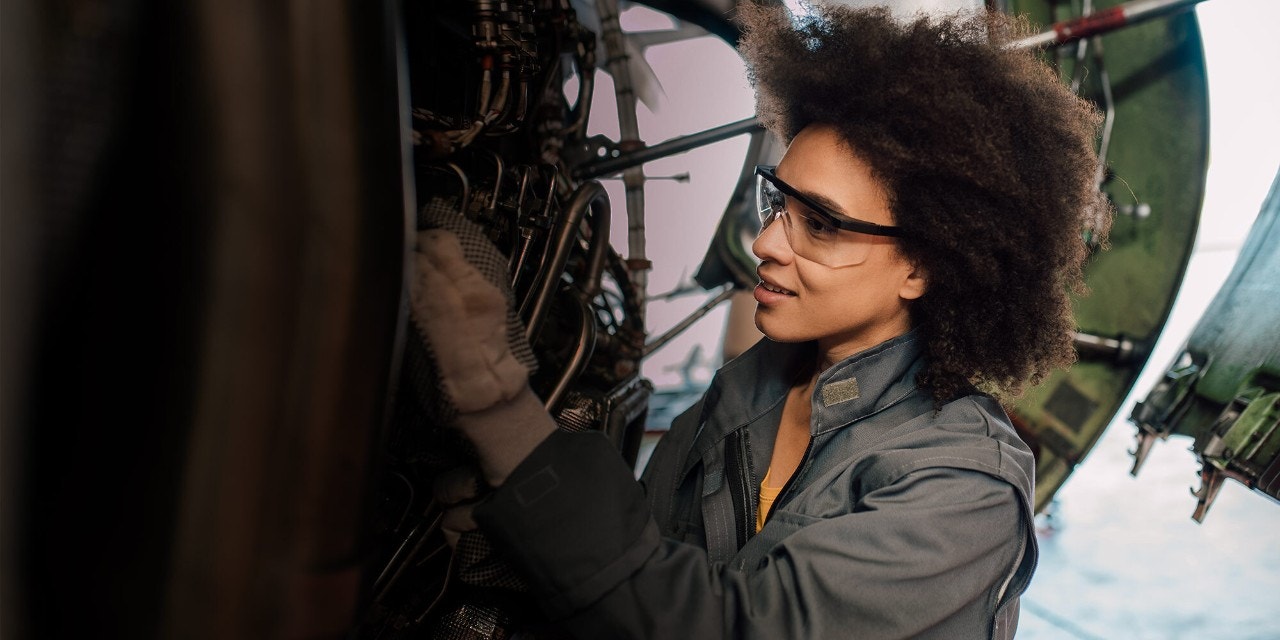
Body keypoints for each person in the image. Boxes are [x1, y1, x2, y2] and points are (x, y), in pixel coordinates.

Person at [414, 3, 1110, 638]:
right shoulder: (748, 392)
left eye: (823, 225)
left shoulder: (963, 489)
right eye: (778, 205)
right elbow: (645, 568)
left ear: (922, 267)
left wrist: (499, 403)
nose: (767, 243)